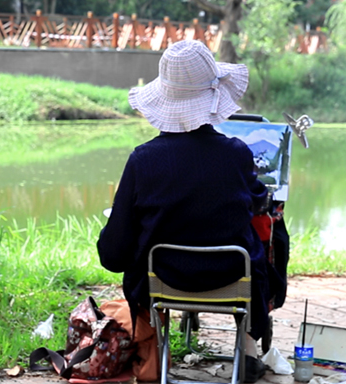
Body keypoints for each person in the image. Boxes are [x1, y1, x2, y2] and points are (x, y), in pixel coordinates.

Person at [97, 40, 275, 383]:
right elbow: (255, 200)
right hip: (230, 278)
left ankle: (157, 352)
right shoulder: (237, 154)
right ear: (212, 99)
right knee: (267, 240)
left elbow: (113, 254)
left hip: (164, 280)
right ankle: (250, 350)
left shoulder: (142, 160)